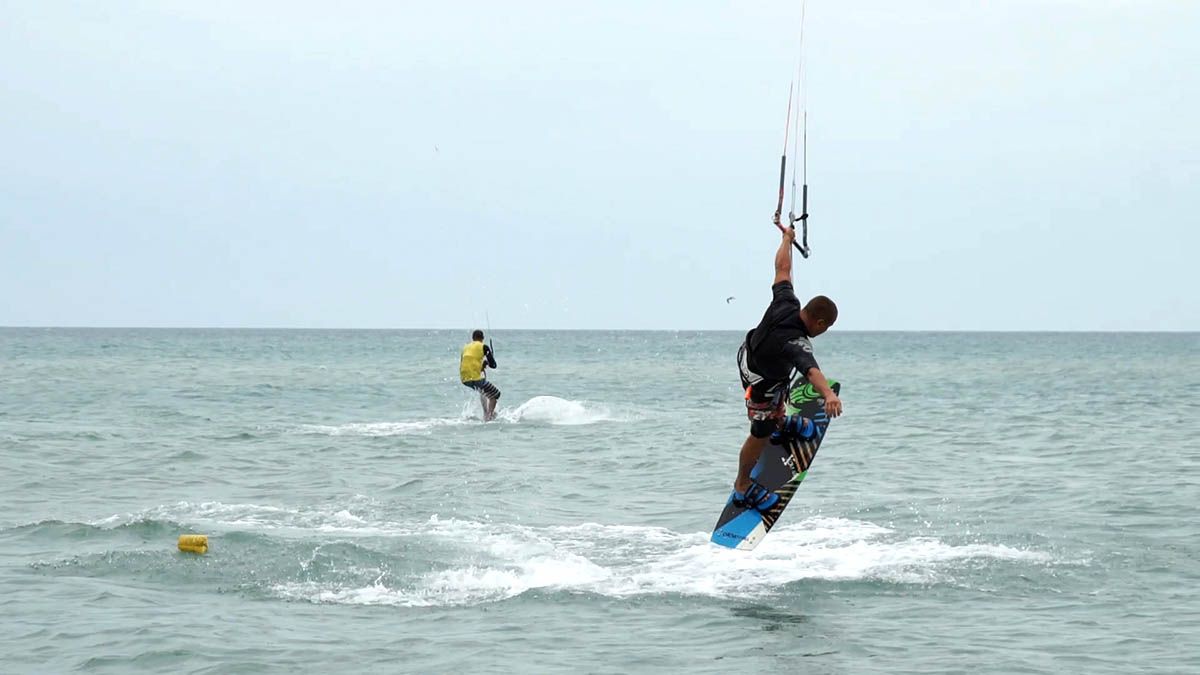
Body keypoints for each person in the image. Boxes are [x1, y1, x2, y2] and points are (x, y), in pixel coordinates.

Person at [732, 226, 842, 511]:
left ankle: (781, 422)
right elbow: (811, 370)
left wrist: (786, 239)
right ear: (819, 323)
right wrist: (828, 395)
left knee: (780, 386)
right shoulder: (795, 342)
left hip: (752, 355)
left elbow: (782, 268)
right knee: (760, 432)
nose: (824, 332)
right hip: (759, 381)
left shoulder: (786, 301)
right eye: (826, 328)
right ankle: (742, 484)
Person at [460, 330, 500, 421]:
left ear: (472, 338)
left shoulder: (465, 348)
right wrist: (487, 362)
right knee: (496, 394)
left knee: (483, 391)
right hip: (475, 378)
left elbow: (466, 363)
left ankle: (485, 413)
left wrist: (482, 365)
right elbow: (493, 365)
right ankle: (489, 417)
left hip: (465, 379)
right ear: (482, 338)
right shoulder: (484, 347)